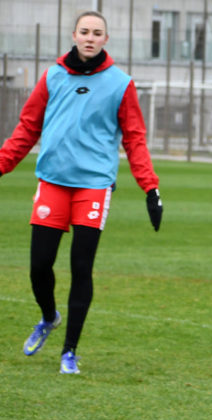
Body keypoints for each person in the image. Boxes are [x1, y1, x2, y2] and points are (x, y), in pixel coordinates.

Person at [0, 10, 162, 375]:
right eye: (85, 31)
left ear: (106, 40)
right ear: (74, 34)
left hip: (94, 186)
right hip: (52, 183)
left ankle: (69, 352)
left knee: (80, 266)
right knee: (39, 266)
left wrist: (150, 188)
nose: (90, 37)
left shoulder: (121, 83)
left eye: (97, 33)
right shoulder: (53, 75)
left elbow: (135, 139)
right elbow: (27, 127)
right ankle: (49, 317)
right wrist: (2, 163)